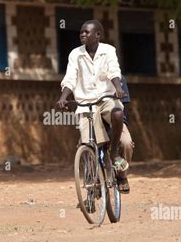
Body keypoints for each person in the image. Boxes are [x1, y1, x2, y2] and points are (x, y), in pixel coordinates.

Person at [56, 19, 131, 193]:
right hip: (85, 104)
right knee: (88, 143)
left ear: (97, 35)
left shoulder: (108, 51)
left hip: (106, 98)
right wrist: (63, 97)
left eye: (86, 32)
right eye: (81, 32)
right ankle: (92, 188)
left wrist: (118, 89)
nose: (82, 34)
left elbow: (114, 71)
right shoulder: (75, 54)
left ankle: (116, 159)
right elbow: (70, 78)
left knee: (120, 121)